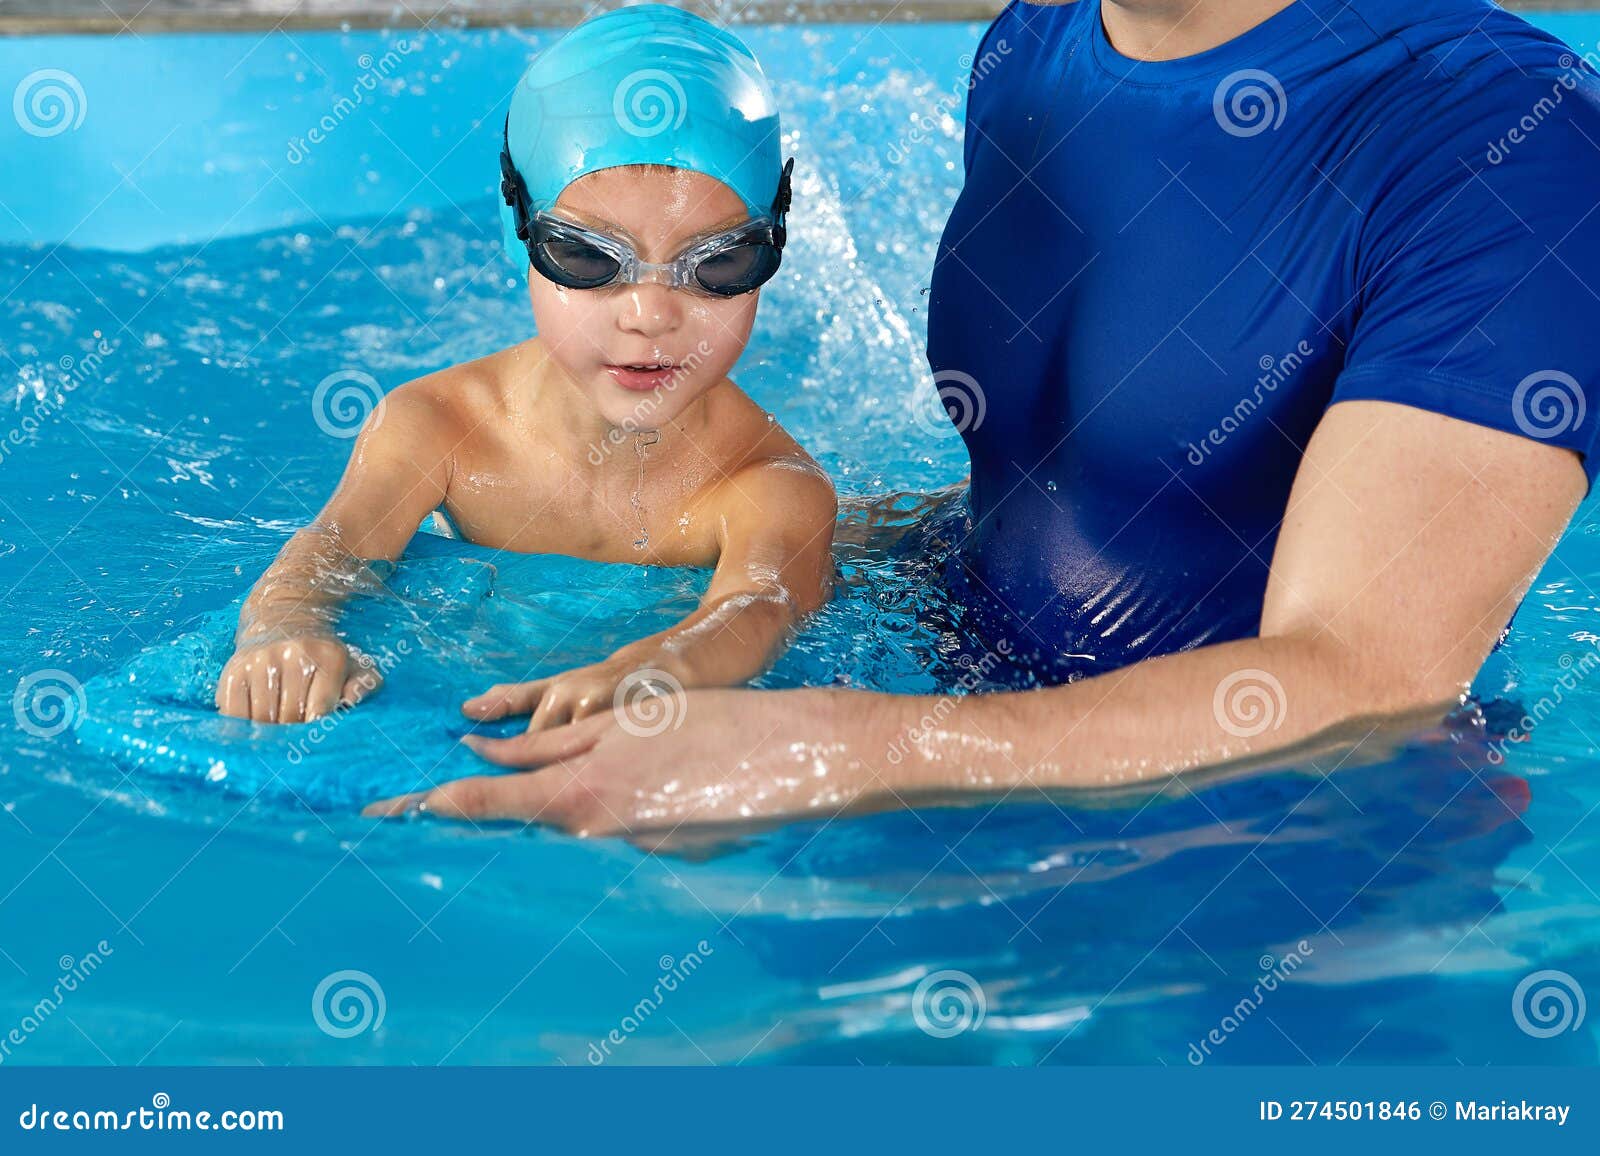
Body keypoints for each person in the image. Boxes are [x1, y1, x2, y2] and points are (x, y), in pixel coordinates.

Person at [367, 0, 1600, 835]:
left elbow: (1369, 678)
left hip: (1275, 862)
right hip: (950, 763)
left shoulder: (1505, 136)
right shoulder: (1037, 43)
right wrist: (762, 563)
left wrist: (833, 751)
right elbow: (1059, 486)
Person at [217, 4, 834, 728]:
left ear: (774, 246)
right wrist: (285, 630)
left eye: (720, 262)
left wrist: (665, 663)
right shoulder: (437, 427)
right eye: (587, 257)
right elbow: (334, 551)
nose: (650, 313)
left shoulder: (771, 486)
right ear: (520, 235)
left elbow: (761, 604)